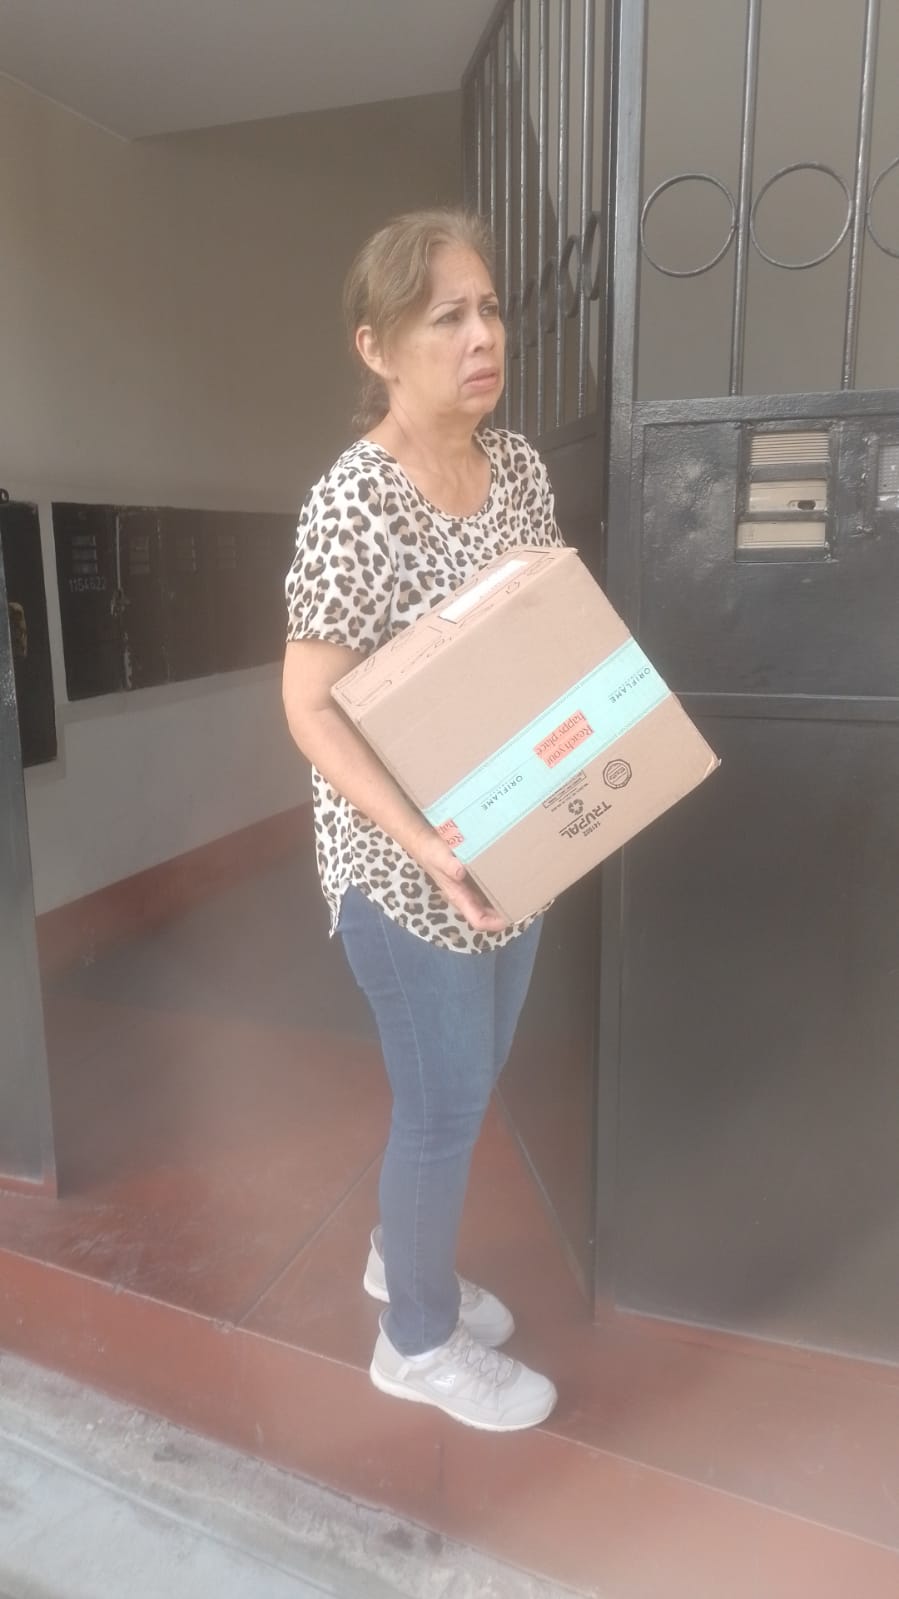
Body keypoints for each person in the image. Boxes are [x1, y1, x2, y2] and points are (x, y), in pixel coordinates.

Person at [282, 209, 563, 1433]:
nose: (480, 335)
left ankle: (400, 1254)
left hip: (508, 830)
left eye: (488, 308)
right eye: (446, 316)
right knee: (443, 1101)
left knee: (472, 1076)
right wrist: (424, 846)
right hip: (401, 864)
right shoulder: (354, 501)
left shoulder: (521, 470)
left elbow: (542, 633)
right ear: (376, 347)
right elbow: (308, 707)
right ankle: (416, 1341)